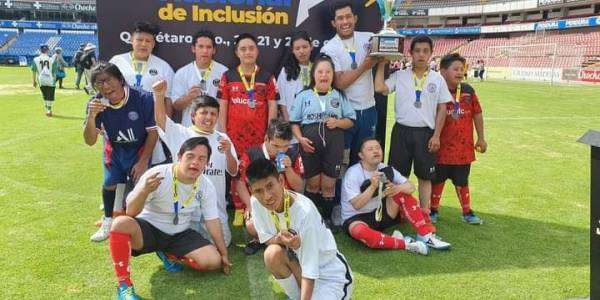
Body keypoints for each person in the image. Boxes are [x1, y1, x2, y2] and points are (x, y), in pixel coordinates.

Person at [108, 137, 231, 300]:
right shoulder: (157, 174)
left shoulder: (206, 185)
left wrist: (224, 254)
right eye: (190, 156)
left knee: (213, 261)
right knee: (120, 224)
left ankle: (170, 254)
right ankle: (124, 286)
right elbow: (130, 212)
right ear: (179, 157)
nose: (195, 162)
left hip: (180, 233)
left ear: (207, 164)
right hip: (149, 230)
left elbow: (212, 221)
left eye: (202, 159)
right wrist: (143, 191)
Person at [247, 158, 353, 300]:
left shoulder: (304, 212)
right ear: (251, 191)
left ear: (281, 181)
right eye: (258, 191)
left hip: (328, 274)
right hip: (299, 267)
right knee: (271, 254)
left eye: (270, 186)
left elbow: (310, 271)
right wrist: (280, 239)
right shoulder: (255, 202)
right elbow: (267, 239)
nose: (266, 196)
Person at [374, 35, 452, 219]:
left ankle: (425, 213)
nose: (421, 55)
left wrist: (437, 136)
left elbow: (443, 108)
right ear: (410, 53)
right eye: (417, 51)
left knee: (425, 176)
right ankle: (397, 212)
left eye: (425, 51)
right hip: (401, 131)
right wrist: (381, 63)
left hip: (426, 133)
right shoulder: (400, 75)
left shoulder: (437, 79)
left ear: (431, 53)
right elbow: (379, 88)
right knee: (397, 175)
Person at [152, 79, 238, 247]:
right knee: (186, 246)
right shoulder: (181, 133)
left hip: (214, 212)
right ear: (193, 116)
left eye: (213, 114)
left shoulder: (224, 139)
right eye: (204, 113)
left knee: (223, 244)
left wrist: (228, 152)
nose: (209, 117)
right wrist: (159, 96)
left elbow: (234, 171)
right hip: (186, 212)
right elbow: (161, 120)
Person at [84, 62, 158, 242]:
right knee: (109, 184)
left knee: (138, 190)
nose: (105, 87)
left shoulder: (143, 98)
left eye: (108, 80)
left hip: (139, 150)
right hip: (115, 150)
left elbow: (152, 132)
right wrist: (91, 117)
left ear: (120, 79)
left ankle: (137, 225)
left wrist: (142, 161)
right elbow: (90, 140)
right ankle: (108, 222)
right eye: (99, 83)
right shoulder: (96, 104)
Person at [342, 138, 450, 252]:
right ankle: (407, 244)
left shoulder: (386, 168)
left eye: (378, 148)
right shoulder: (353, 173)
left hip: (380, 214)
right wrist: (372, 187)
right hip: (356, 218)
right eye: (370, 149)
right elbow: (356, 205)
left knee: (402, 193)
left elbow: (411, 187)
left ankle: (425, 235)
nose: (376, 151)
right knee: (360, 232)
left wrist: (396, 188)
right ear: (361, 155)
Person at [289, 54, 356, 230]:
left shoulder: (340, 95)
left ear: (333, 75)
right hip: (309, 146)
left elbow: (351, 120)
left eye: (328, 71)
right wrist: (300, 139)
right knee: (312, 184)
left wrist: (338, 122)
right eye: (320, 71)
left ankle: (326, 220)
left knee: (328, 184)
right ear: (314, 74)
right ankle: (311, 220)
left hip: (334, 146)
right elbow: (294, 123)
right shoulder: (303, 95)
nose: (324, 75)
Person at [217, 32, 278, 225]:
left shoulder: (267, 77)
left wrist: (270, 134)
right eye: (243, 49)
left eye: (251, 48)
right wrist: (222, 133)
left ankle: (260, 206)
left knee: (257, 172)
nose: (247, 52)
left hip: (259, 138)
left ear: (257, 51)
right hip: (234, 137)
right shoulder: (228, 76)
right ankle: (239, 208)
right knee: (236, 173)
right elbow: (223, 105)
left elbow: (273, 105)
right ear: (237, 52)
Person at [320, 0, 380, 166]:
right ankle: (342, 192)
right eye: (340, 18)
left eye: (348, 17)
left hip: (368, 110)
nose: (345, 22)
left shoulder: (369, 38)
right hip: (344, 113)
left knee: (366, 161)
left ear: (355, 18)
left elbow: (388, 54)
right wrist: (364, 67)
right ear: (334, 23)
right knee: (342, 162)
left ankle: (363, 192)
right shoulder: (329, 48)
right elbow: (339, 82)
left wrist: (391, 34)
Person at [431, 53, 487, 225]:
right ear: (442, 71)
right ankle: (432, 210)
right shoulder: (435, 90)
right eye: (455, 69)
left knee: (462, 181)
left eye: (462, 69)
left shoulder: (468, 91)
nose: (460, 72)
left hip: (463, 149)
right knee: (437, 180)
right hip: (440, 148)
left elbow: (477, 113)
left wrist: (481, 138)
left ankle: (467, 212)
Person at [110, 21, 175, 165]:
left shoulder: (164, 67)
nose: (143, 44)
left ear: (153, 44)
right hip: (121, 126)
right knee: (118, 174)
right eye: (139, 40)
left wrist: (166, 129)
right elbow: (105, 93)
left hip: (150, 129)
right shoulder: (116, 61)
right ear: (131, 40)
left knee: (149, 170)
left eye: (148, 41)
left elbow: (168, 100)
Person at [238, 119, 304, 254]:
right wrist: (249, 205)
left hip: (286, 205)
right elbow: (239, 183)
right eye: (276, 146)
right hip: (262, 203)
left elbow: (299, 187)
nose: (280, 150)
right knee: (251, 225)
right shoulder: (252, 154)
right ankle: (260, 238)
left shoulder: (292, 154)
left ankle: (277, 238)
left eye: (285, 146)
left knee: (300, 229)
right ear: (266, 138)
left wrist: (289, 169)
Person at [172, 30, 228, 128]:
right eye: (201, 46)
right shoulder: (182, 73)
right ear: (193, 48)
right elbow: (176, 105)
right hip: (190, 131)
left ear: (214, 50)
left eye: (209, 47)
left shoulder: (224, 72)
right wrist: (189, 97)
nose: (205, 51)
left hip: (215, 130)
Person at [277, 31, 314, 161]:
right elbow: (282, 102)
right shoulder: (286, 71)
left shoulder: (318, 69)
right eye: (297, 48)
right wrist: (291, 125)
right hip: (292, 129)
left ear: (311, 47)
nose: (301, 51)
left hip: (312, 128)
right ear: (292, 51)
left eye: (305, 47)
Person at [31, 44, 58, 117]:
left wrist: (34, 81)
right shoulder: (52, 60)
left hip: (41, 79)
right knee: (50, 95)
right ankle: (49, 109)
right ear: (48, 50)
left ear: (40, 50)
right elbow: (54, 72)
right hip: (50, 79)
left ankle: (47, 109)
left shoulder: (35, 59)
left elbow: (33, 71)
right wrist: (54, 81)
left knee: (45, 94)